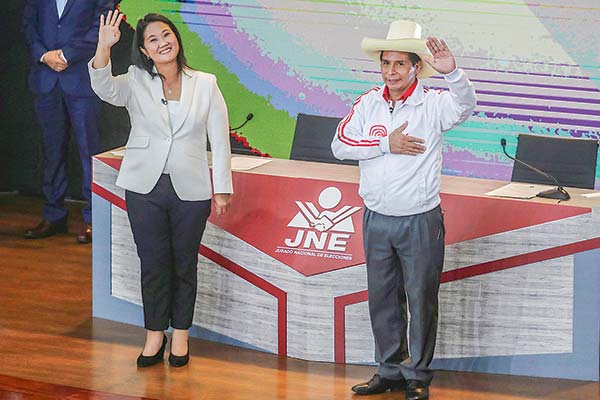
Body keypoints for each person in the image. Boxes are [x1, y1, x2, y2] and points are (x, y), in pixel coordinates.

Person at [331, 20, 477, 400]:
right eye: (386, 63)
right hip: (377, 218)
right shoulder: (368, 102)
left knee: (421, 297)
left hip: (420, 219)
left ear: (416, 67)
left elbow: (467, 106)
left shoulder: (433, 103)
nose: (391, 72)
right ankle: (390, 369)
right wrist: (385, 145)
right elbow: (340, 144)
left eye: (399, 64)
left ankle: (418, 375)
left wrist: (454, 73)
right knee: (382, 297)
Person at [89, 10, 233, 367]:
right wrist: (103, 48)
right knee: (152, 263)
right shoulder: (137, 79)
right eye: (153, 39)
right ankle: (155, 334)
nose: (162, 42)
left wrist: (222, 188)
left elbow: (219, 138)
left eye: (166, 34)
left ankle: (181, 335)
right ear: (145, 50)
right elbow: (104, 88)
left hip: (192, 188)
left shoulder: (206, 83)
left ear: (177, 39)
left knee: (184, 264)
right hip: (144, 186)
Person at [22, 0, 113, 244]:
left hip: (82, 78)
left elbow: (101, 25)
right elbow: (29, 24)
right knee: (51, 152)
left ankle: (95, 220)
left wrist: (66, 54)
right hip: (46, 78)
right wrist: (43, 55)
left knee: (89, 153)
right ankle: (54, 215)